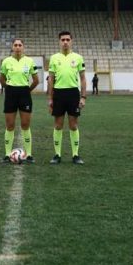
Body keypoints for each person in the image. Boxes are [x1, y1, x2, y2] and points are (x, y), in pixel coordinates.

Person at [47, 31, 86, 165]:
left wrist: (83, 97)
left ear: (71, 41)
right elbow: (50, 79)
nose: (65, 42)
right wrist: (50, 98)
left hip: (73, 94)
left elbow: (83, 78)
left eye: (67, 39)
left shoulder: (78, 58)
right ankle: (57, 155)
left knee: (73, 125)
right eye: (63, 40)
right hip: (58, 93)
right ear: (59, 41)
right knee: (58, 125)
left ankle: (75, 155)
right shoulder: (53, 58)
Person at [0, 39, 39, 164]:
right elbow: (2, 80)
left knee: (25, 125)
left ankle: (29, 155)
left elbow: (36, 80)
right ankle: (7, 154)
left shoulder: (30, 61)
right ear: (12, 47)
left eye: (20, 45)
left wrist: (27, 90)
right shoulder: (6, 61)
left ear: (23, 47)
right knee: (10, 125)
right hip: (11, 93)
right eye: (15, 45)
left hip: (24, 94)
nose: (17, 47)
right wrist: (9, 89)